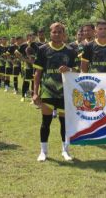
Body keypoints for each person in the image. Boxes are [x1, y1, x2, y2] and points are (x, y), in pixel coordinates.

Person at [33, 22, 77, 162]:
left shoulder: (70, 51)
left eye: (60, 32)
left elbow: (77, 71)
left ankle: (65, 150)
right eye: (54, 32)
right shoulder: (42, 49)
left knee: (65, 123)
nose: (57, 34)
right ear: (50, 33)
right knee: (45, 122)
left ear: (64, 34)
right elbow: (38, 73)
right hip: (47, 91)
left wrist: (69, 69)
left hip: (65, 92)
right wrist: (35, 92)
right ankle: (43, 151)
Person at [80, 20, 106, 146]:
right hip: (92, 83)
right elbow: (84, 66)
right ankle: (88, 135)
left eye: (105, 28)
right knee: (91, 109)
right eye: (100, 28)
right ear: (96, 31)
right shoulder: (89, 46)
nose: (103, 31)